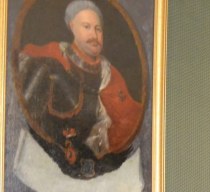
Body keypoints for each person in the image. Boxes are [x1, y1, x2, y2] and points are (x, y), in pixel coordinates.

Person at [16, 0, 143, 180]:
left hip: (88, 166)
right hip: (43, 161)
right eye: (87, 27)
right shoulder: (53, 54)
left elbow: (125, 119)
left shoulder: (108, 73)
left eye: (98, 29)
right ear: (72, 27)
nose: (94, 35)